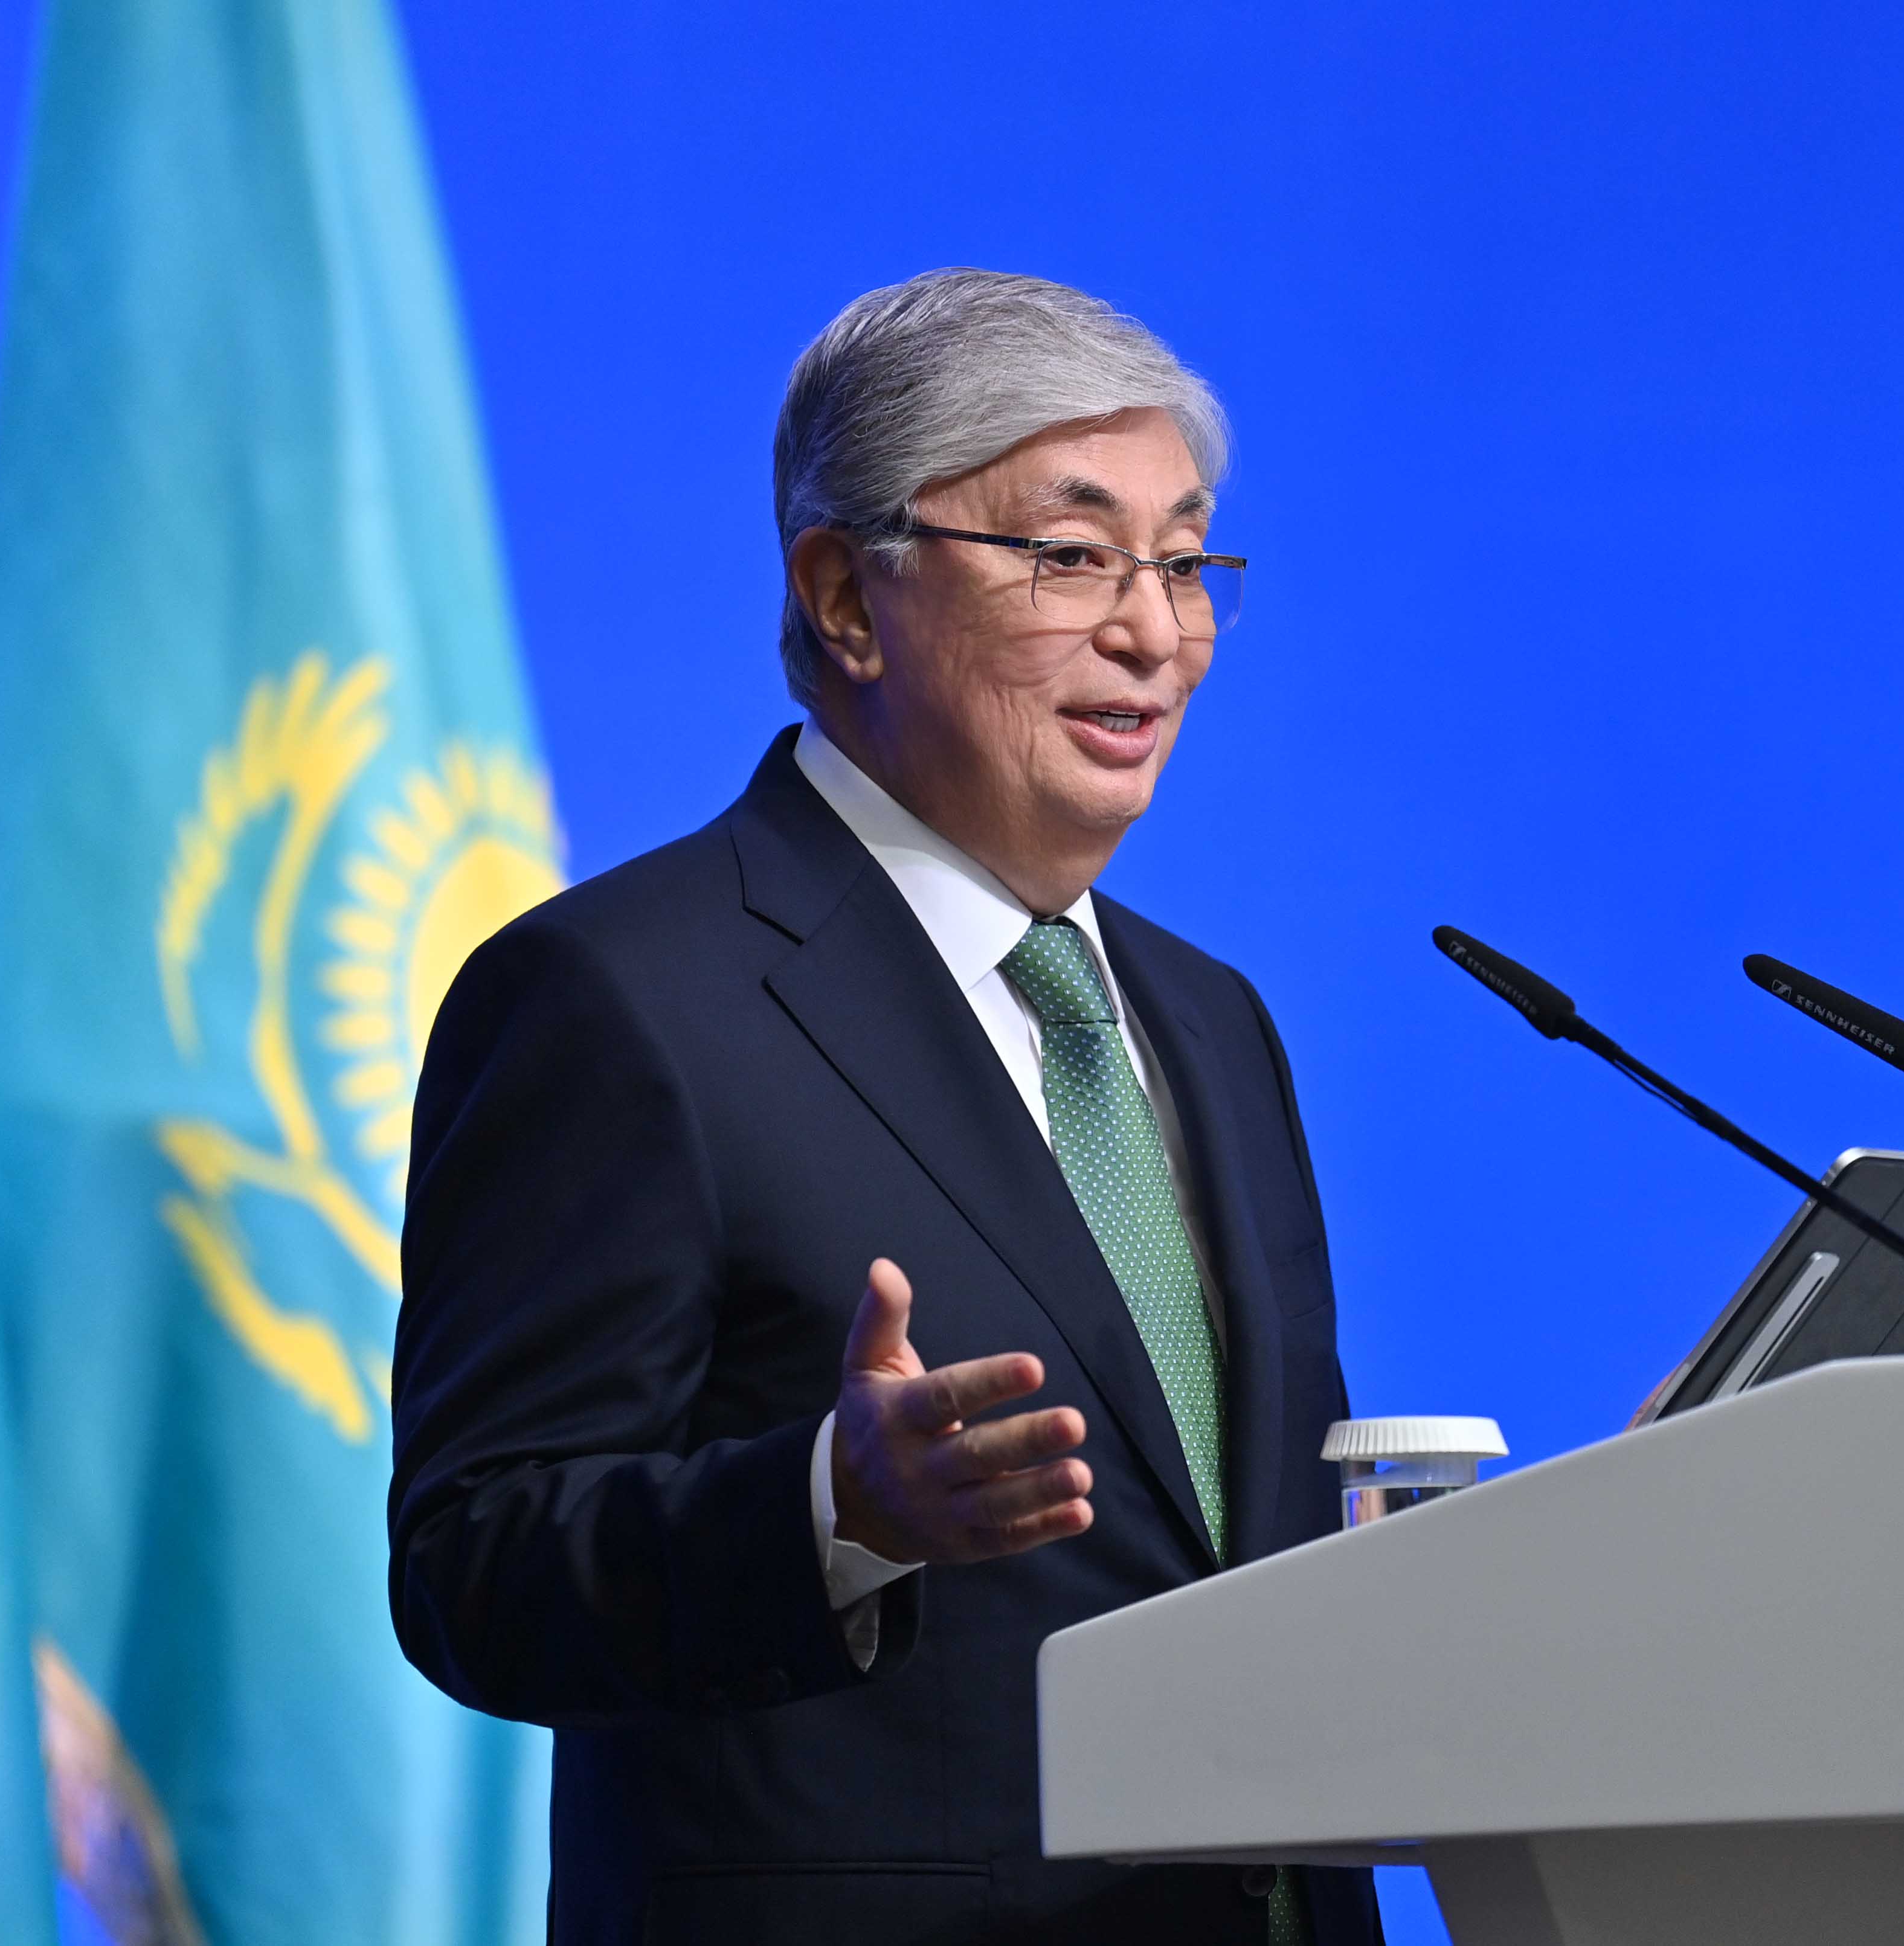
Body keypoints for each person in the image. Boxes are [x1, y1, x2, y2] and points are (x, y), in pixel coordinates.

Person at [388, 270, 1377, 1946]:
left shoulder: (1213, 1022)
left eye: (1184, 562)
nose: (1154, 632)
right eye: (1071, 557)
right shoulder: (619, 997)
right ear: (847, 596)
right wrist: (833, 1512)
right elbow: (474, 1568)